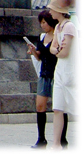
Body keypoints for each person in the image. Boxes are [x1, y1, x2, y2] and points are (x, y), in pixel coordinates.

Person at [48, 0, 78, 149]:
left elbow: (63, 52)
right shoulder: (59, 27)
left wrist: (57, 50)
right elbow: (53, 48)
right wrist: (57, 50)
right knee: (58, 108)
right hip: (60, 71)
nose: (50, 12)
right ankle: (55, 144)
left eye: (52, 9)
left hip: (71, 71)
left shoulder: (69, 27)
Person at [27, 10, 59, 148]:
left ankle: (61, 139)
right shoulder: (42, 37)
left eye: (44, 22)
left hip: (56, 74)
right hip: (44, 74)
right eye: (41, 23)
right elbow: (40, 56)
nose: (42, 25)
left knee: (58, 107)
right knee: (40, 106)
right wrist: (33, 51)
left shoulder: (58, 36)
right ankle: (41, 138)